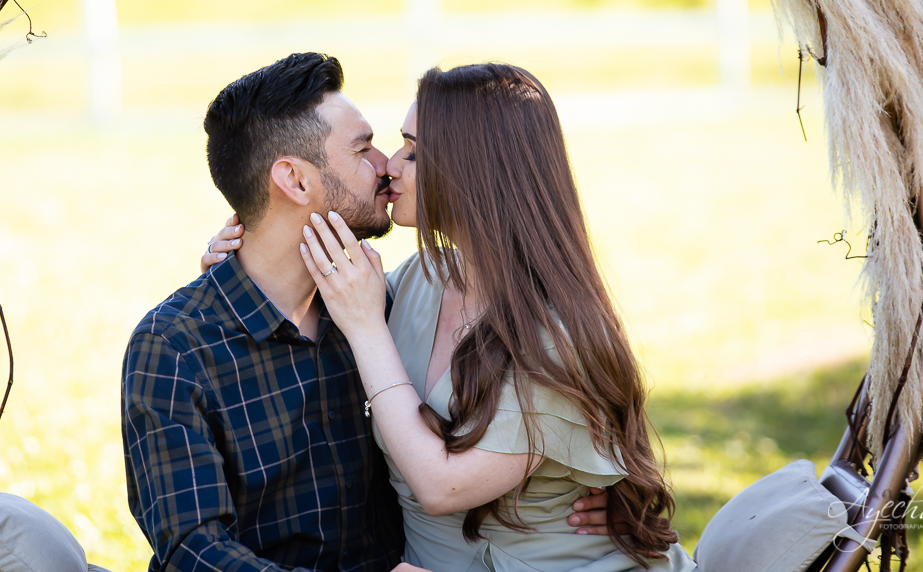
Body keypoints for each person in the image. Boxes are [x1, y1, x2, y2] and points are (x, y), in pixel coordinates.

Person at [124, 53, 612, 572]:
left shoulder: (376, 306)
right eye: (365, 148)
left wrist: (591, 497)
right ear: (295, 180)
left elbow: (563, 397)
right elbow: (193, 552)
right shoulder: (176, 347)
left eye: (406, 150)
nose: (386, 165)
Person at [210, 63, 696, 571]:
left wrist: (367, 327)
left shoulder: (557, 332)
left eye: (414, 151)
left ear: (476, 170)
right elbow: (303, 315)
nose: (390, 166)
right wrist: (242, 266)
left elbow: (443, 488)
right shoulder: (421, 281)